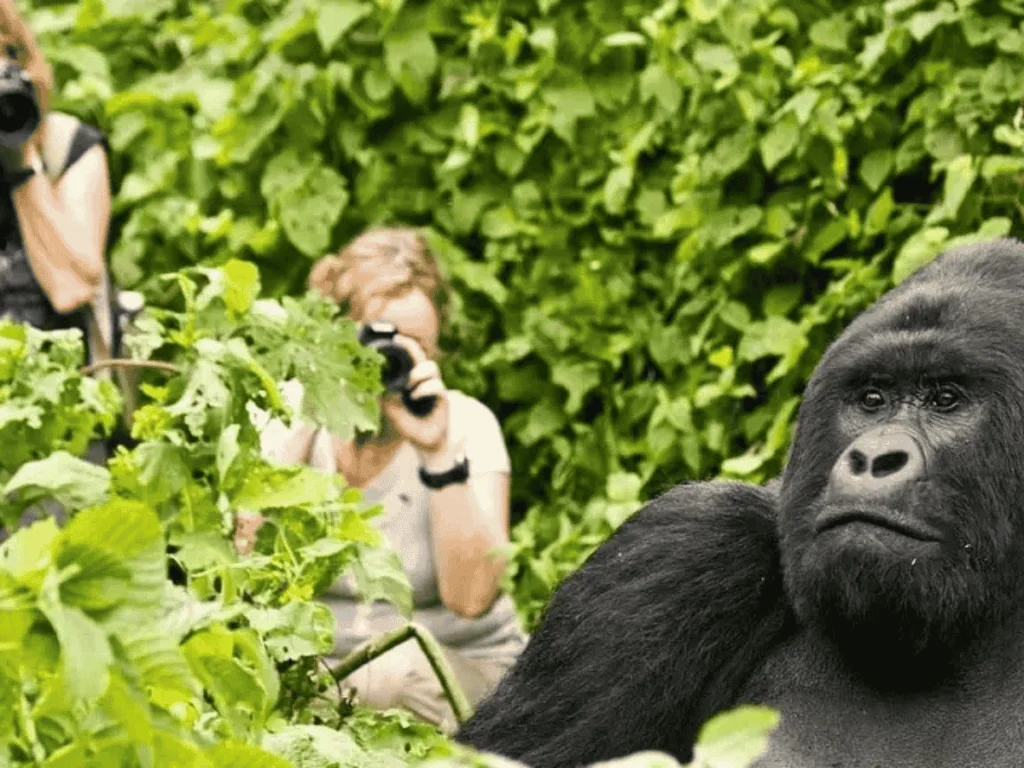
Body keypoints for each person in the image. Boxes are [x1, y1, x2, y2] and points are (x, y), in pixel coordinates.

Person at [242, 226, 526, 733]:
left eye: (418, 348)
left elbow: (472, 598)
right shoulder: (284, 413)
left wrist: (437, 454)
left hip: (454, 666)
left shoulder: (465, 426)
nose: (395, 364)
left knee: (387, 681)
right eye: (381, 342)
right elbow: (245, 570)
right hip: (321, 668)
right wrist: (316, 400)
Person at [0, 1, 114, 367]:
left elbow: (72, 289)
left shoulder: (65, 147)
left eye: (8, 54)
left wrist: (22, 165)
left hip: (68, 401)